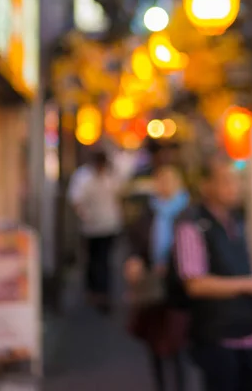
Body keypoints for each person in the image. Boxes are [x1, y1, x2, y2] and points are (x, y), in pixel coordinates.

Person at [173, 158, 252, 391]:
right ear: (206, 186)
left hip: (247, 334)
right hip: (216, 338)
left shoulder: (236, 220)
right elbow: (195, 284)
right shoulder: (192, 224)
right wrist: (248, 286)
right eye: (226, 181)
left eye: (237, 180)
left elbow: (234, 271)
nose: (234, 187)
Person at [124, 165, 190, 391]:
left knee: (178, 341)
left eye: (170, 181)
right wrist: (135, 260)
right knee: (156, 340)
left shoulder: (189, 213)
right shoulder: (147, 213)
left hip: (180, 287)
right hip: (152, 287)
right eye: (161, 181)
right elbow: (135, 243)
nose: (165, 186)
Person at [68, 150, 123, 312]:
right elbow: (75, 200)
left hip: (109, 225)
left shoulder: (111, 176)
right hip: (91, 227)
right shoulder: (84, 177)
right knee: (93, 260)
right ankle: (93, 291)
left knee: (104, 260)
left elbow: (119, 195)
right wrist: (85, 216)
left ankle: (103, 293)